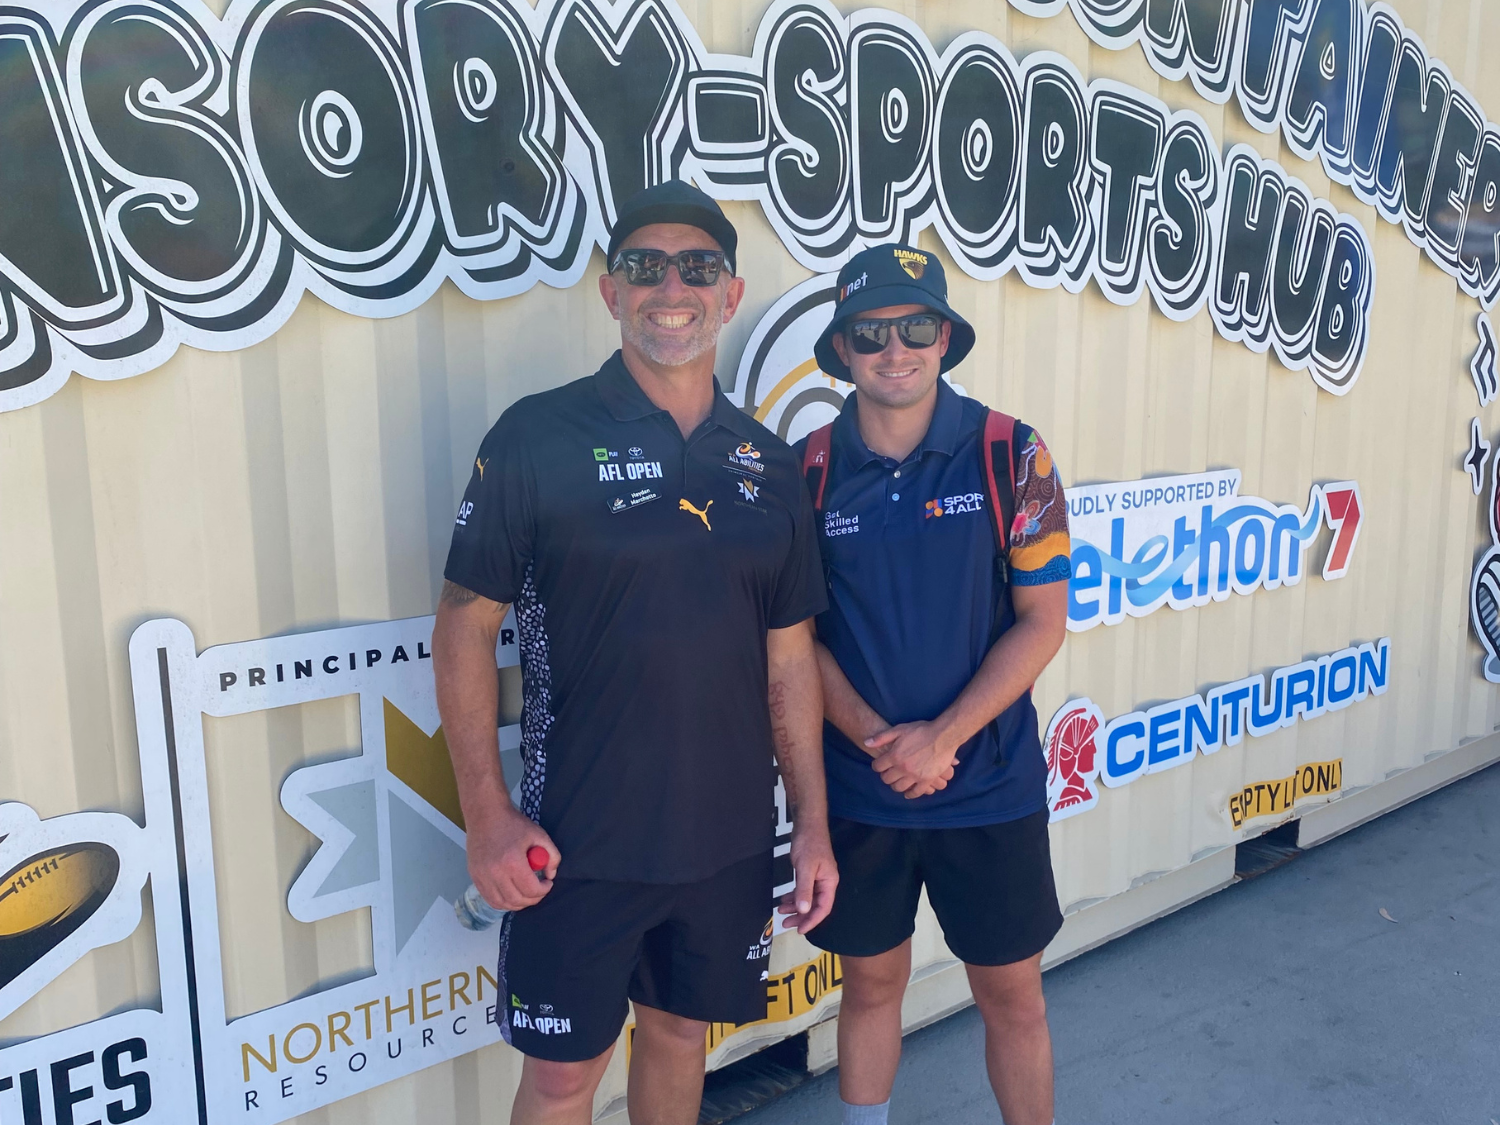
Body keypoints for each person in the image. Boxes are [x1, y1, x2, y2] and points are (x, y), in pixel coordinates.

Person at [432, 181, 837, 1125]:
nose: (671, 287)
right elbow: (461, 624)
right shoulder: (538, 435)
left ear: (729, 296)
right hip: (578, 842)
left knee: (676, 1042)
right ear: (611, 293)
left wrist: (809, 822)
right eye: (644, 266)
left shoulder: (771, 466)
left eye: (697, 267)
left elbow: (789, 663)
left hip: (728, 840)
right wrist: (486, 817)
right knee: (565, 1079)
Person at [796, 243, 1071, 1125]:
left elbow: (1043, 621)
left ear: (946, 337)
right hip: (865, 791)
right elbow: (790, 641)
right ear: (843, 348)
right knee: (872, 985)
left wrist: (941, 738)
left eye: (916, 326)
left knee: (1012, 996)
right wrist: (888, 744)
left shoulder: (1012, 452)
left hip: (986, 786)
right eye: (870, 332)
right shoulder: (800, 472)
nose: (895, 349)